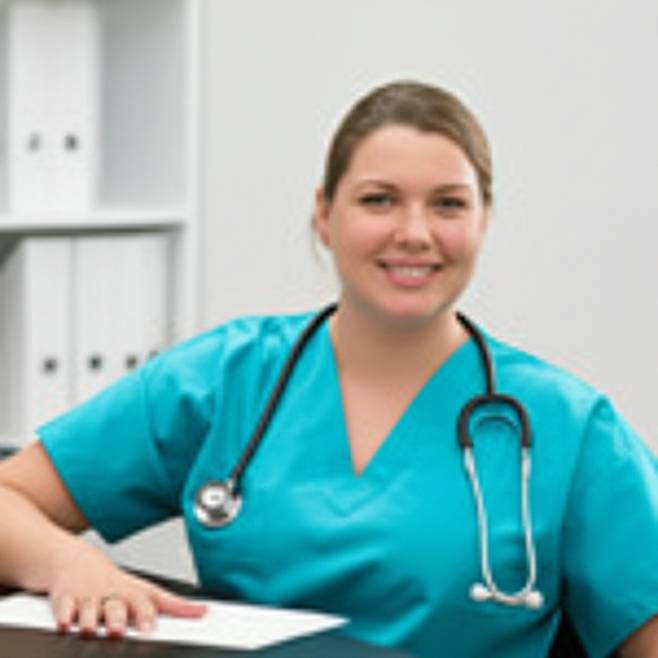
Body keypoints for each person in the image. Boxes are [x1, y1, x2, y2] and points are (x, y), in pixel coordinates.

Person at [0, 80, 657, 658]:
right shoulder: (227, 379)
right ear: (324, 213)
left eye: (448, 204)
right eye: (379, 200)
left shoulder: (571, 429)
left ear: (484, 220)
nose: (414, 232)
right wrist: (68, 564)